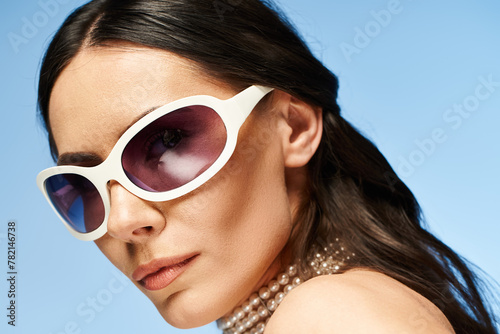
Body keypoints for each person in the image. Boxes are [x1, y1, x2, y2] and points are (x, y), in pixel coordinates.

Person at [36, 0, 498, 333]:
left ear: (293, 126)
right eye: (82, 187)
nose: (122, 222)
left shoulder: (334, 317)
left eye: (166, 142)